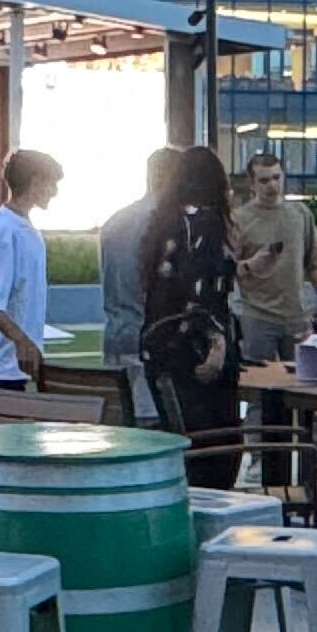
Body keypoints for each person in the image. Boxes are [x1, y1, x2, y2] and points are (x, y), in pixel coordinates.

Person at [136, 146, 242, 480]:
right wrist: (217, 343)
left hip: (160, 344)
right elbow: (203, 289)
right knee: (220, 442)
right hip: (196, 349)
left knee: (182, 436)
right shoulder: (205, 224)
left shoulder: (162, 223)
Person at [225, 150, 317, 489]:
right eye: (264, 180)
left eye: (277, 178)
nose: (271, 185)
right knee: (258, 391)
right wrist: (253, 264)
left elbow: (315, 261)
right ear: (252, 183)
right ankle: (258, 456)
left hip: (296, 313)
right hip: (256, 314)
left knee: (309, 387)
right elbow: (229, 269)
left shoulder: (299, 214)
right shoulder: (239, 219)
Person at [94, 143, 178, 421]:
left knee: (123, 428)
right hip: (153, 342)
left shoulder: (114, 221)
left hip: (117, 339)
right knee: (150, 430)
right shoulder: (167, 222)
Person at [0, 147, 61, 392]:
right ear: (36, 181)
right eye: (51, 184)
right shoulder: (4, 231)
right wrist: (23, 342)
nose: (54, 192)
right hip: (1, 362)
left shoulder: (23, 229)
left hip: (15, 361)